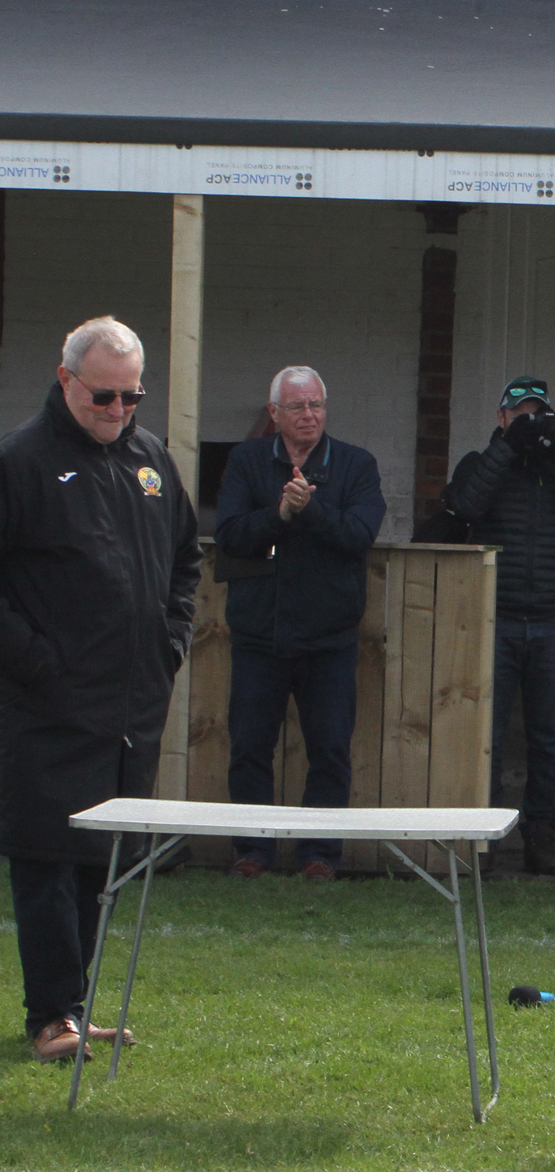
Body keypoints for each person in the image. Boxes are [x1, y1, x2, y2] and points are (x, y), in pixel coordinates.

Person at [0, 317, 200, 1062]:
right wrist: (38, 662)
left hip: (129, 706)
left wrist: (170, 643)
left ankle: (76, 1008)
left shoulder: (151, 461)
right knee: (47, 857)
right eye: (104, 397)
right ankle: (50, 1016)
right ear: (66, 381)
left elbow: (186, 561)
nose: (118, 411)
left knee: (100, 863)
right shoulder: (21, 461)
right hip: (47, 704)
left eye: (131, 396)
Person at [214, 366, 386, 880]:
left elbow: (360, 534)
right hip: (257, 635)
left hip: (329, 638)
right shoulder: (245, 461)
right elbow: (229, 533)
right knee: (248, 749)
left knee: (329, 750)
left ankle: (319, 855)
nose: (308, 415)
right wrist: (280, 516)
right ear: (274, 414)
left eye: (316, 405)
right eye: (297, 407)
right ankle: (252, 852)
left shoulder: (356, 464)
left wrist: (309, 511)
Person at [441, 376, 555, 875]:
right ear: (501, 419)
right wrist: (506, 451)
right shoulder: (481, 463)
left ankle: (542, 836)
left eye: (537, 414)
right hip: (495, 617)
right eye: (519, 415)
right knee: (486, 736)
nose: (528, 423)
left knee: (551, 738)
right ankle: (486, 839)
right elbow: (465, 505)